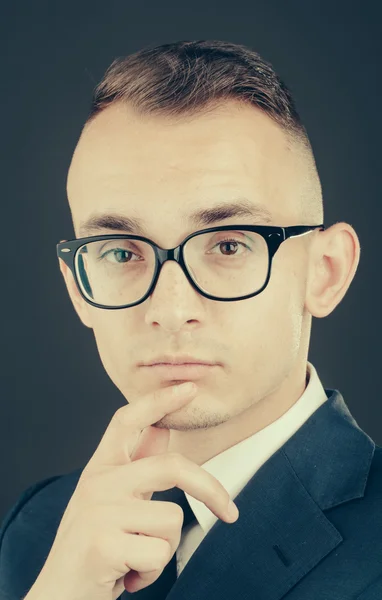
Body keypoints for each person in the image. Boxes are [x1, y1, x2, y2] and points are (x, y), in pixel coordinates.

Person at [1, 39, 381, 600]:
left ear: (324, 272)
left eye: (229, 246)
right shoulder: (38, 529)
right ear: (78, 290)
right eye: (121, 253)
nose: (171, 311)